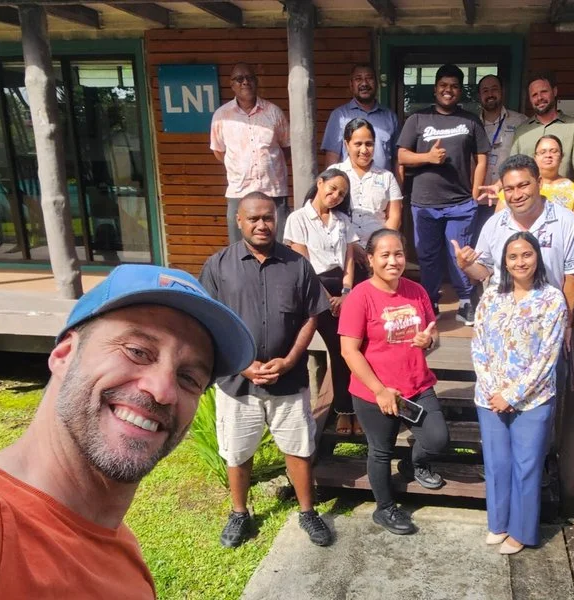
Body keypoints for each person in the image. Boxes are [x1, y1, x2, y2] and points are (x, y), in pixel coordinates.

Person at [0, 264, 254, 599]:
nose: (163, 390)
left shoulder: (119, 547)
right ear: (64, 355)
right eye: (137, 351)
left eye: (189, 378)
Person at [199, 193, 334, 549]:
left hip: (288, 379)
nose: (262, 225)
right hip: (236, 382)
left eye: (268, 218)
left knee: (298, 447)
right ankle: (239, 513)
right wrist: (241, 365)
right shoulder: (218, 266)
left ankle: (307, 511)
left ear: (277, 220)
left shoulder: (297, 265)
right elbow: (209, 322)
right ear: (239, 221)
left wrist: (289, 360)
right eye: (254, 218)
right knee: (237, 450)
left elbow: (311, 316)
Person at [339, 229, 449, 536]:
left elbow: (433, 334)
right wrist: (379, 390)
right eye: (385, 255)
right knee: (381, 450)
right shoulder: (359, 297)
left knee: (437, 440)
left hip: (417, 384)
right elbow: (349, 351)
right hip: (375, 391)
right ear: (370, 259)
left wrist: (429, 341)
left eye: (398, 254)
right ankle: (384, 508)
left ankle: (414, 464)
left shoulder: (417, 291)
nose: (393, 261)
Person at [470, 232, 566, 555]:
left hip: (533, 399)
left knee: (526, 466)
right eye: (513, 256)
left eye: (527, 254)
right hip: (490, 397)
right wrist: (492, 389)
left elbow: (548, 355)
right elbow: (478, 344)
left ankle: (522, 531)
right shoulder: (491, 296)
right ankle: (498, 523)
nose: (520, 262)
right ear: (504, 262)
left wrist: (512, 395)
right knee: (497, 463)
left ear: (537, 257)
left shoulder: (551, 299)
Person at [397, 63, 491, 326]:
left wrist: (475, 192)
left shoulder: (470, 120)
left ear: (460, 91)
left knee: (458, 254)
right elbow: (402, 156)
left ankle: (465, 301)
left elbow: (482, 158)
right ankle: (430, 301)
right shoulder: (417, 119)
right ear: (435, 88)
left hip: (460, 203)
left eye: (454, 86)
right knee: (428, 256)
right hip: (424, 202)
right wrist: (427, 157)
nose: (448, 90)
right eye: (443, 85)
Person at [454, 154, 574, 311]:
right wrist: (467, 266)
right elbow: (484, 271)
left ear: (539, 183)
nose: (517, 195)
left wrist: (564, 319)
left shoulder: (566, 221)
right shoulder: (494, 224)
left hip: (548, 315)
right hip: (501, 314)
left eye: (523, 185)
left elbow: (573, 278)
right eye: (509, 189)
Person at [284, 167, 360, 437]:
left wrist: (347, 292)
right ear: (320, 183)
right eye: (333, 188)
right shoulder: (298, 218)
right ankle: (308, 414)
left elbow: (349, 259)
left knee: (346, 349)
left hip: (342, 288)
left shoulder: (343, 220)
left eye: (342, 193)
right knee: (309, 349)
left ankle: (350, 410)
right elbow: (303, 264)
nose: (336, 195)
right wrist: (328, 298)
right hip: (313, 289)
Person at [210, 62, 292, 244]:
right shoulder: (221, 116)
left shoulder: (273, 112)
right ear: (231, 84)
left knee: (279, 247)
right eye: (239, 79)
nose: (245, 82)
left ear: (256, 81)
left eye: (249, 78)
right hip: (239, 192)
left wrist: (269, 166)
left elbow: (286, 147)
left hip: (273, 191)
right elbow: (219, 151)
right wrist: (240, 166)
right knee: (239, 250)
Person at [509, 71, 574, 202]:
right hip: (527, 202)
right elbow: (513, 168)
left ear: (554, 91)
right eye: (534, 95)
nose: (539, 98)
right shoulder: (521, 131)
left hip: (563, 200)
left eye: (544, 92)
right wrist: (498, 186)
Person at [476, 74, 530, 235]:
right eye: (485, 91)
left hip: (510, 198)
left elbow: (526, 159)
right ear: (479, 95)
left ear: (502, 91)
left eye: (494, 89)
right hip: (478, 200)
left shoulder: (520, 122)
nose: (490, 94)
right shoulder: (471, 123)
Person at [321, 63, 399, 174]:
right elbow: (332, 157)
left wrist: (397, 184)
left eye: (369, 78)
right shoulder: (339, 116)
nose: (364, 83)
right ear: (351, 85)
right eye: (358, 79)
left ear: (377, 83)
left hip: (382, 182)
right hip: (350, 183)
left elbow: (397, 158)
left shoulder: (390, 117)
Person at [336, 118, 404, 243]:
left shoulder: (387, 177)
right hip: (342, 246)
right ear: (346, 145)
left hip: (376, 249)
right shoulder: (336, 173)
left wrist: (378, 246)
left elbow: (394, 217)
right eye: (358, 144)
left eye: (369, 144)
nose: (364, 150)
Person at [496, 135, 574, 222]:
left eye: (554, 151)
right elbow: (498, 223)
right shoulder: (516, 186)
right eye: (542, 152)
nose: (548, 155)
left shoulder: (572, 189)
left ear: (561, 157)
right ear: (535, 157)